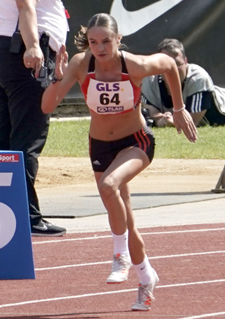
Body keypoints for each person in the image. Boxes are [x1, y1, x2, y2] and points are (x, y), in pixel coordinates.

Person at [41, 13, 197, 311]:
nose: (100, 49)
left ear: (118, 39)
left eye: (106, 42)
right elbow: (47, 106)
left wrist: (178, 108)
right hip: (100, 147)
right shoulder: (80, 64)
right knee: (128, 222)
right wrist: (59, 77)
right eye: (93, 42)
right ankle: (147, 277)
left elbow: (167, 64)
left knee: (110, 186)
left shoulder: (133, 65)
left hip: (136, 142)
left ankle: (119, 255)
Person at [0, 0, 69, 236]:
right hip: (22, 52)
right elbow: (25, 4)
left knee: (6, 141)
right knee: (26, 140)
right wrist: (32, 45)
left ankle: (9, 214)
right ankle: (27, 217)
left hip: (8, 50)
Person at [141, 38, 225, 127]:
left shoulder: (198, 78)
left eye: (177, 64)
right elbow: (149, 111)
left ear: (185, 61)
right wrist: (161, 119)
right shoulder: (149, 80)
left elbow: (192, 121)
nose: (172, 70)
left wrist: (171, 122)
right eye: (167, 65)